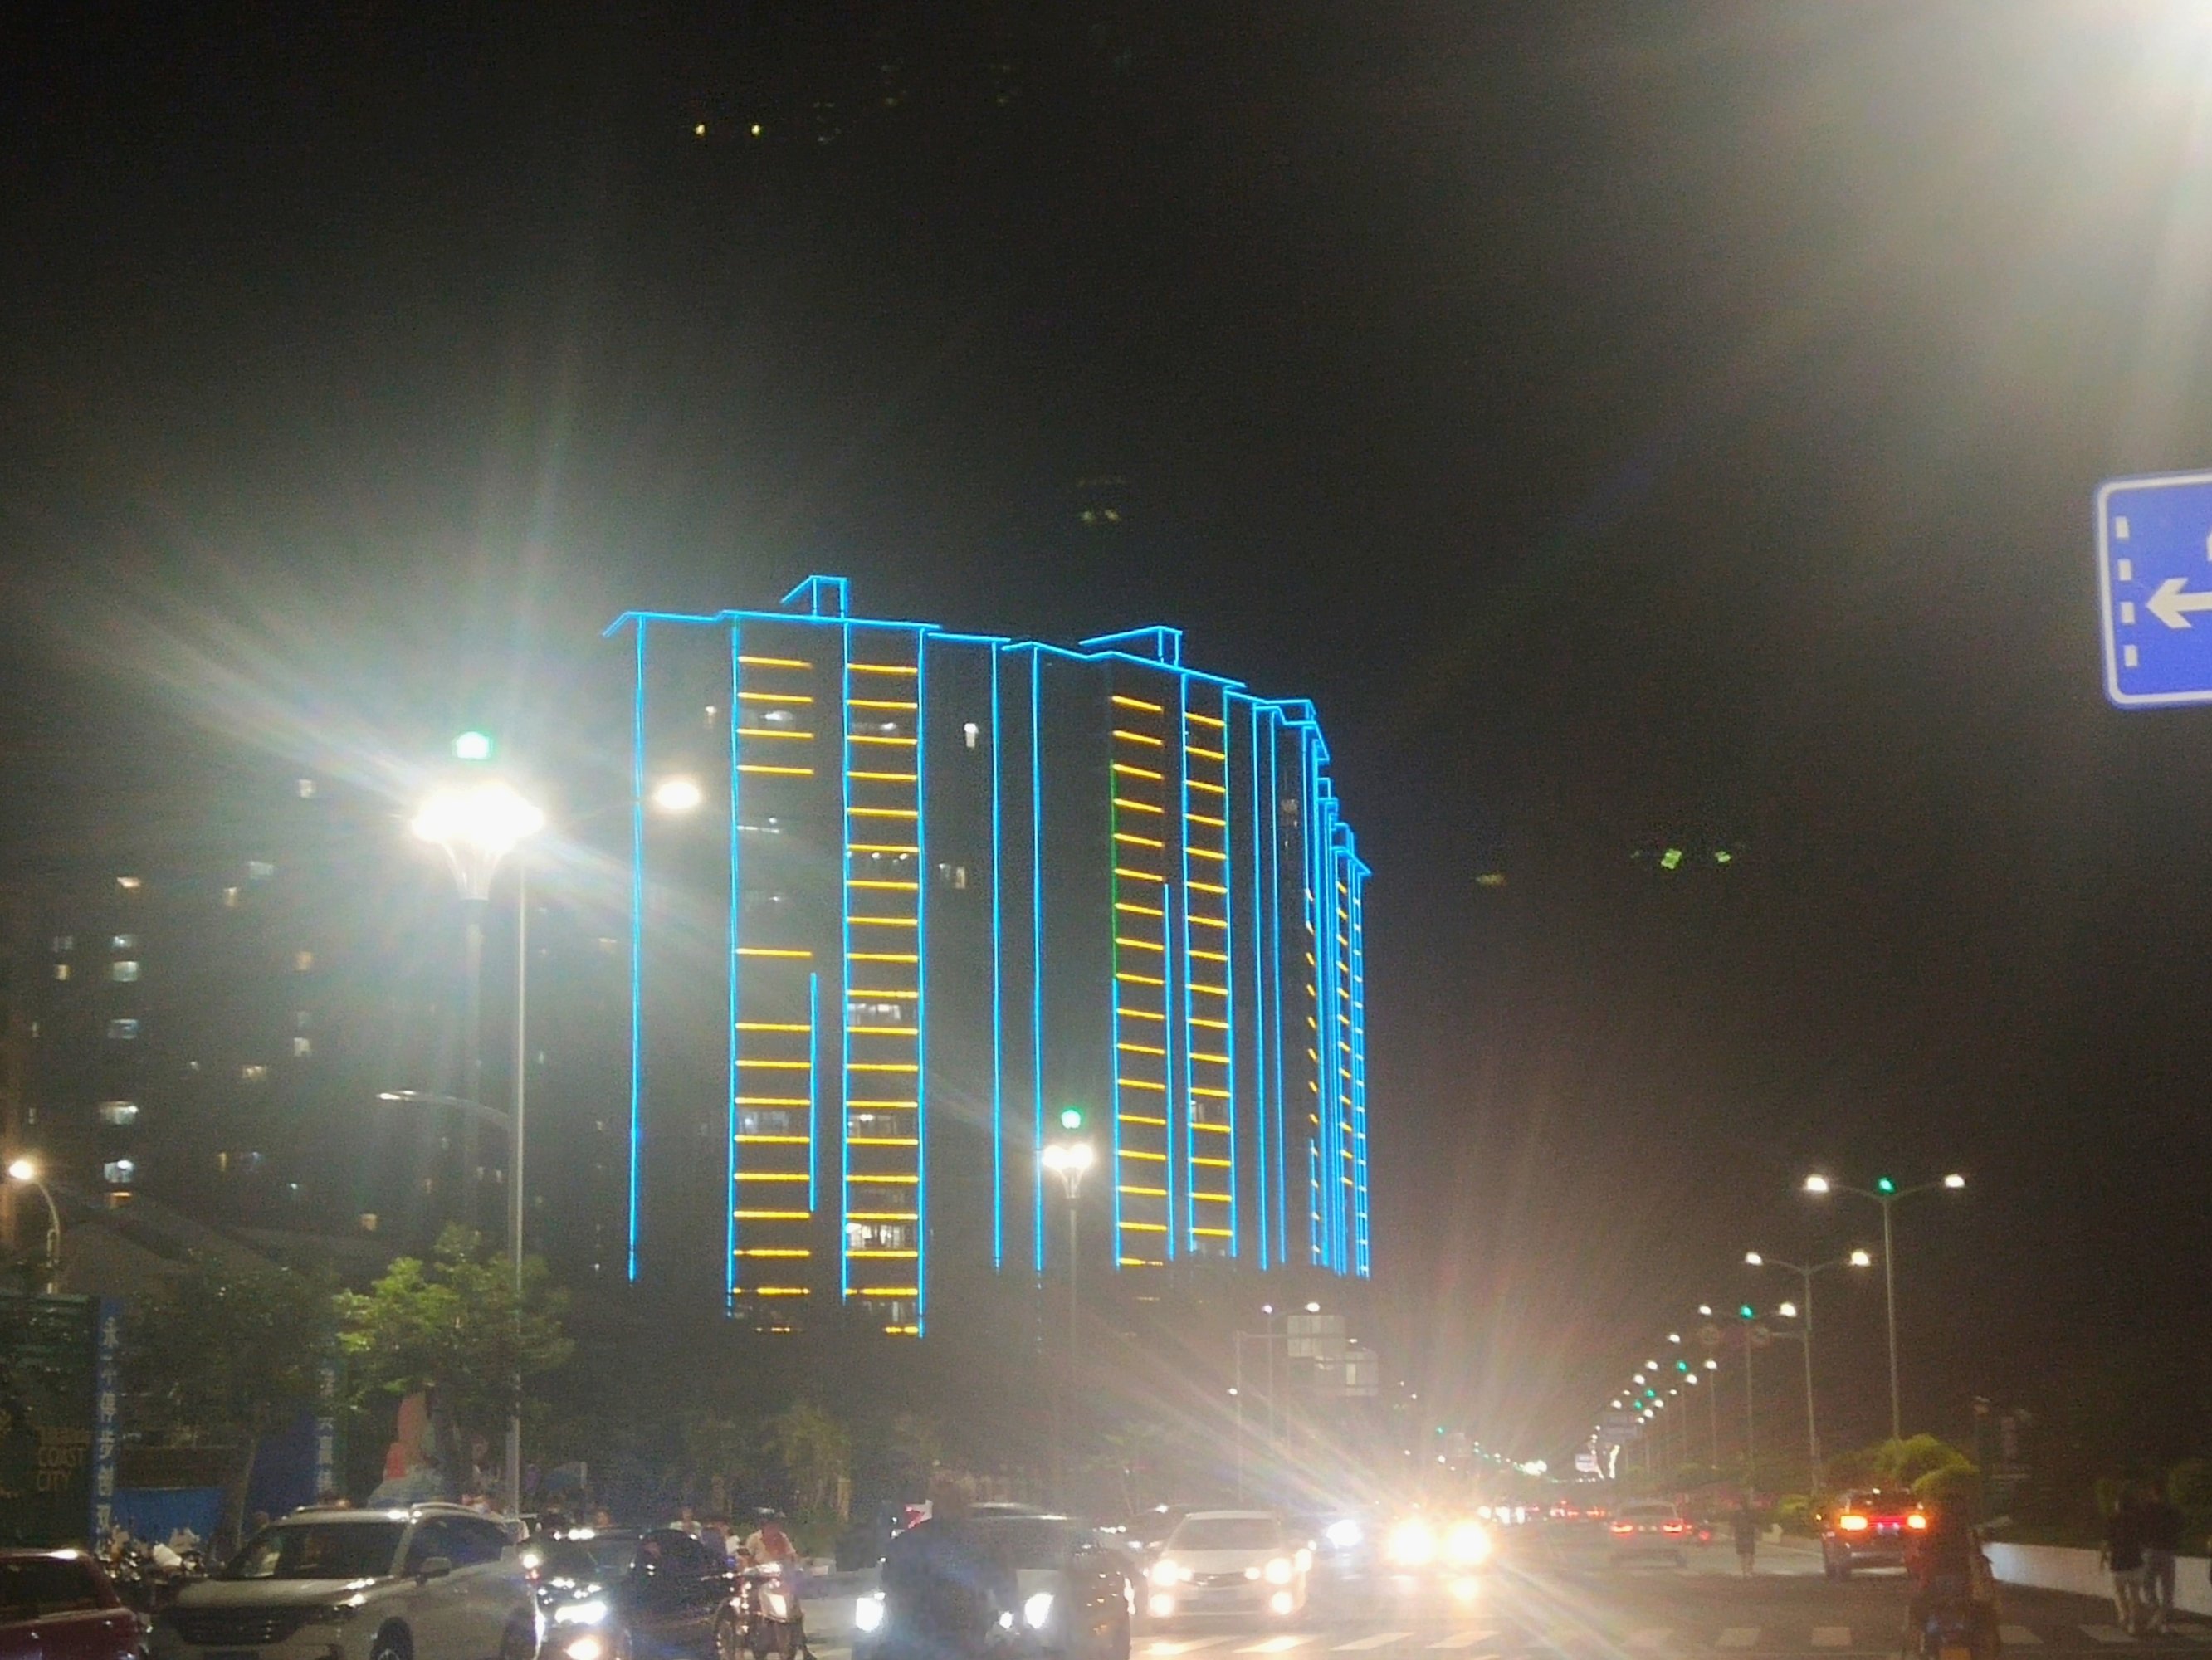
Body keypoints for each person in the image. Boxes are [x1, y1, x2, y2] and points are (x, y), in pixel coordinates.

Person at [2138, 1481, 2184, 1635]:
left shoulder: (2146, 1509)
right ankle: (2165, 1622)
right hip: (2168, 1552)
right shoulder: (2173, 1510)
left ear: (2152, 1492)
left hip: (2151, 1550)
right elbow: (2179, 1528)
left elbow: (2140, 1528)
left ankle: (2156, 1613)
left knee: (2147, 1584)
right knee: (2168, 1589)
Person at [2102, 1487, 2146, 1635]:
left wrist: (2102, 1558)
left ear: (2118, 1505)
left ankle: (2123, 1615)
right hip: (2135, 1562)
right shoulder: (2137, 1520)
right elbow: (2143, 1542)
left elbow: (2106, 1542)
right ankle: (2133, 1624)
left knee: (2119, 1593)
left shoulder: (2111, 1520)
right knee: (2135, 1596)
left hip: (2118, 1563)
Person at [1731, 1501, 1759, 1576]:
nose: (1736, 1507)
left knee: (1745, 1554)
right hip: (1745, 1536)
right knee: (1747, 1553)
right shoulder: (1749, 1514)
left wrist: (1732, 1535)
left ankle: (1746, 1570)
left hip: (1744, 1536)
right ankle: (1747, 1570)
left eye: (1737, 1505)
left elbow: (1733, 1525)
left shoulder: (1738, 1514)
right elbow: (1755, 1525)